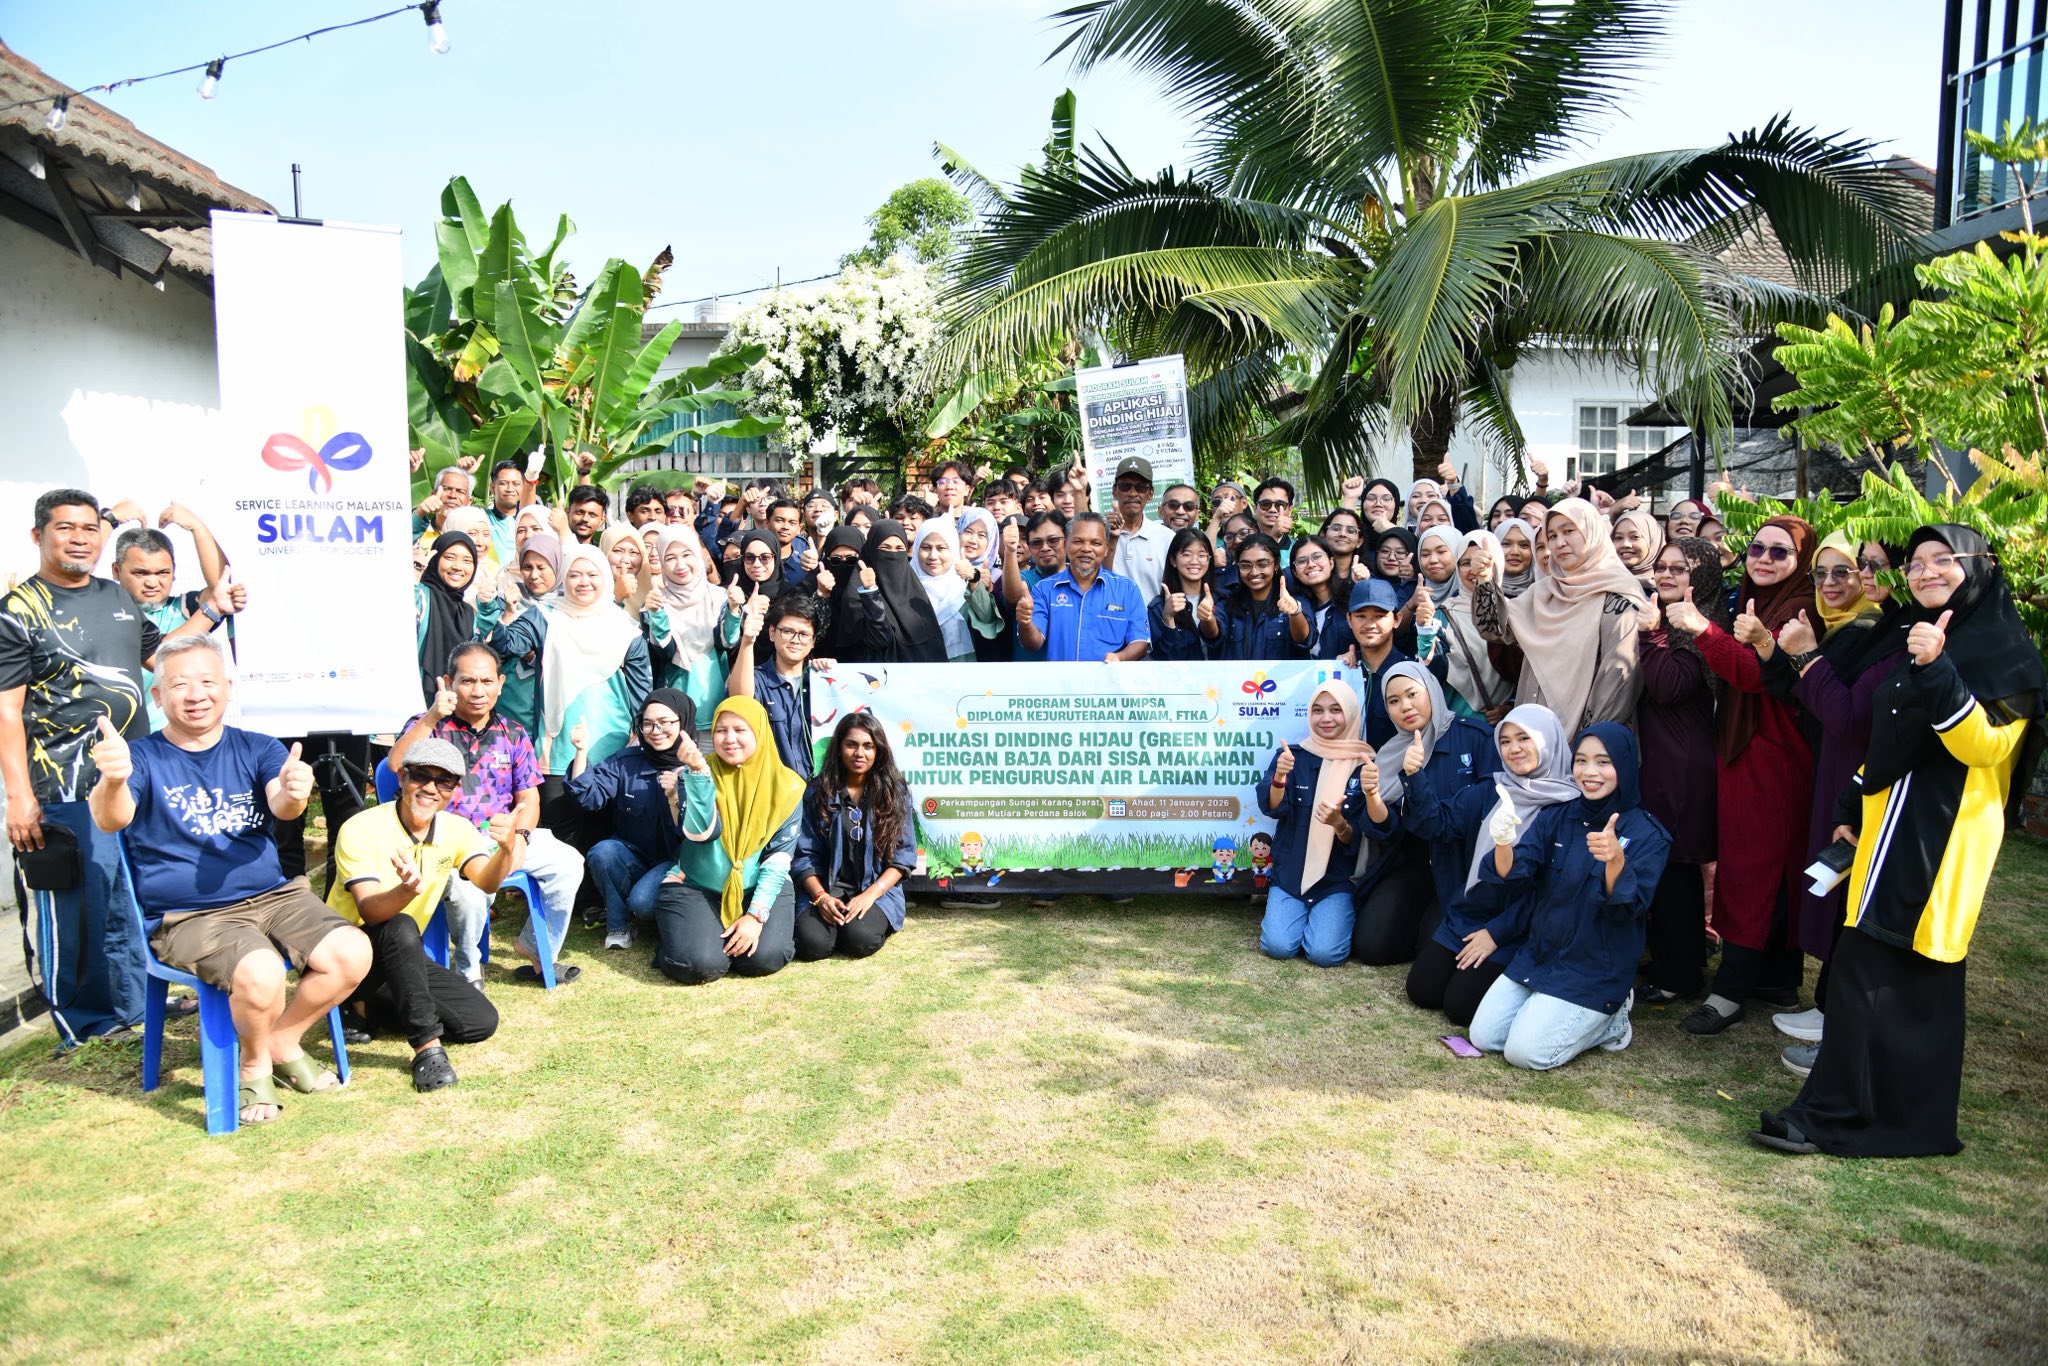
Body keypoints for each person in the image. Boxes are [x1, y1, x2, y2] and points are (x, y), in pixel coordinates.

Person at [1754, 526, 2045, 1157]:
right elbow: (1887, 734)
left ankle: (1875, 1122)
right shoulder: (1918, 637)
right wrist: (1850, 804)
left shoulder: (2005, 653)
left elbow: (1985, 747)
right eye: (1916, 563)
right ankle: (1849, 1113)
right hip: (1885, 828)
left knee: (1901, 979)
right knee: (1867, 970)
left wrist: (1938, 669)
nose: (1925, 571)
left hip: (1939, 840)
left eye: (1944, 560)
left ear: (1983, 568)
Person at [85, 637, 371, 1122]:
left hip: (273, 896)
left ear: (228, 689)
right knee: (262, 972)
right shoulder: (141, 757)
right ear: (158, 697)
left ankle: (282, 1039)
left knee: (352, 952)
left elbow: (281, 800)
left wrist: (295, 793)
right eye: (178, 684)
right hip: (189, 915)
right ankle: (253, 1065)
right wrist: (112, 780)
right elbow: (110, 820)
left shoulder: (255, 746)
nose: (195, 694)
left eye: (207, 681)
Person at [2, 490, 216, 1040]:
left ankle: (137, 999)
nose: (79, 539)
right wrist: (20, 796)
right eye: (64, 528)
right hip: (62, 785)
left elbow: (160, 653)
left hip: (131, 777)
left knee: (131, 892)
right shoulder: (18, 612)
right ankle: (86, 1021)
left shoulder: (116, 597)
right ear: (38, 537)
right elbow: (7, 709)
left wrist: (211, 611)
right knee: (78, 903)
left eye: (88, 529)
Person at [1665, 515, 1818, 1035]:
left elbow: (1756, 676)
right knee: (1766, 865)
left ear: (1802, 563)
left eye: (1781, 553)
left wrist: (1702, 630)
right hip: (1749, 751)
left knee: (1755, 868)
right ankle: (1774, 978)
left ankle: (1730, 991)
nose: (1765, 559)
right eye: (1757, 548)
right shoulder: (1750, 601)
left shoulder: (1800, 609)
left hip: (1773, 756)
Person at [1466, 724, 1671, 1069]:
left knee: (1525, 1053)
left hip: (1593, 968)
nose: (1590, 773)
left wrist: (1615, 862)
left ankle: (1613, 1019)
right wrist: (1502, 840)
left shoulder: (1648, 834)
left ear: (1624, 764)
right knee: (1483, 1037)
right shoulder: (1558, 816)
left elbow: (1627, 910)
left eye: (1603, 762)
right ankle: (1551, 1011)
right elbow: (1515, 872)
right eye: (1581, 761)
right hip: (1540, 955)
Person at [388, 643, 585, 985]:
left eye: (486, 681)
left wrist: (519, 839)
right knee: (467, 888)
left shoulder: (513, 732)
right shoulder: (430, 725)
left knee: (568, 863)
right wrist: (432, 715)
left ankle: (538, 949)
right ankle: (467, 969)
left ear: (501, 683)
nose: (478, 691)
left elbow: (529, 797)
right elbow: (395, 764)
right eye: (467, 681)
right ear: (449, 682)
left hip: (500, 835)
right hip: (445, 841)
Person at [326, 738, 517, 1091]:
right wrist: (405, 891)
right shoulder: (361, 828)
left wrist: (506, 851)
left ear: (454, 790)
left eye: (444, 781)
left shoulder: (456, 829)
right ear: (402, 778)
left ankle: (364, 1007)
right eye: (420, 777)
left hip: (399, 954)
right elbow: (369, 910)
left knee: (480, 1023)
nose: (430, 788)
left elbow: (487, 883)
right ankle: (427, 1049)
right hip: (341, 954)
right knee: (399, 924)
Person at [1403, 705, 1579, 1025]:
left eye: (1524, 738)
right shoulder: (1492, 790)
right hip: (1470, 913)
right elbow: (1437, 825)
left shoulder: (1568, 808)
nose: (1513, 749)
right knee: (1423, 991)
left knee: (1460, 1008)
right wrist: (1416, 777)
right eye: (1506, 741)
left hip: (1522, 926)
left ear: (1549, 741)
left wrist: (1496, 933)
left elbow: (1553, 893)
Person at [491, 545, 653, 852]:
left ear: (605, 578)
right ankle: (560, 901)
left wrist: (640, 744)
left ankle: (592, 901)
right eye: (574, 574)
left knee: (600, 836)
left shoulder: (626, 628)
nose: (583, 582)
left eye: (592, 574)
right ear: (563, 578)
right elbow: (506, 646)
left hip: (611, 749)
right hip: (555, 749)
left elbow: (641, 695)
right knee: (557, 835)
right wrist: (497, 614)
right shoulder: (544, 616)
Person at [1351, 663, 1498, 966]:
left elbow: (1490, 808)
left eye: (1412, 694)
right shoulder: (1390, 753)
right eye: (1393, 701)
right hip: (1413, 862)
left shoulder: (1475, 737)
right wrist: (1372, 795)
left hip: (1461, 865)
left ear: (1431, 690)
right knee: (1372, 947)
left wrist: (1416, 775)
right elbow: (1386, 830)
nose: (1405, 706)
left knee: (1434, 954)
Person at [650, 698, 804, 984]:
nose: (729, 739)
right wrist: (697, 774)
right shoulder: (694, 774)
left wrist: (756, 917)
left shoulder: (789, 786)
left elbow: (778, 858)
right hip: (696, 883)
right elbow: (699, 833)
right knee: (700, 965)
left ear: (759, 732)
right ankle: (689, 943)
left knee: (764, 958)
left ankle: (711, 936)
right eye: (721, 730)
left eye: (740, 730)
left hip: (758, 884)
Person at [1633, 537, 1725, 1003]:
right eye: (1662, 566)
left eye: (1680, 568)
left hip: (1683, 763)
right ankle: (1672, 960)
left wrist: (1651, 635)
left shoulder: (1699, 625)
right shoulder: (1671, 618)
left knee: (1678, 867)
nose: (1666, 575)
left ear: (1702, 576)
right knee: (1669, 868)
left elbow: (1670, 686)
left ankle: (1679, 976)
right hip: (1666, 757)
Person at [1471, 499, 1647, 732]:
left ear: (1592, 532)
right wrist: (1484, 579)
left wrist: (1589, 743)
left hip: (1584, 741)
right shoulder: (1543, 593)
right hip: (1532, 736)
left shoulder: (1619, 597)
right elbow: (1493, 630)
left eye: (1568, 531)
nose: (1559, 543)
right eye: (1551, 536)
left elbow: (1617, 680)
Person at [1256, 681, 1374, 967]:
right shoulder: (1292, 756)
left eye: (1336, 710)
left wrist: (1338, 824)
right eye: (1318, 710)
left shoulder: (1365, 764)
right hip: (1290, 876)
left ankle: (1326, 921)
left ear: (1350, 713)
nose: (1326, 718)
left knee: (1325, 954)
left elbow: (1358, 837)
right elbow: (1272, 808)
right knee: (1278, 946)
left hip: (1336, 879)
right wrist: (1279, 778)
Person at [573, 690, 694, 950]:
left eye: (665, 722)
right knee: (604, 852)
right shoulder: (626, 762)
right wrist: (581, 752)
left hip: (677, 864)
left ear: (683, 722)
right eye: (648, 723)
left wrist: (679, 791)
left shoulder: (698, 767)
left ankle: (668, 918)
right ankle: (619, 926)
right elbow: (588, 797)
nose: (655, 730)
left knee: (644, 902)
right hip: (634, 857)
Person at [792, 713, 917, 961]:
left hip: (875, 891)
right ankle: (832, 922)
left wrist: (869, 895)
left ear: (878, 751)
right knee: (812, 944)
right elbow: (804, 855)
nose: (859, 753)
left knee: (860, 939)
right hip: (825, 890)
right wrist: (821, 898)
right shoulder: (817, 792)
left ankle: (854, 925)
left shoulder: (895, 792)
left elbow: (903, 856)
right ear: (839, 748)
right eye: (851, 744)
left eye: (868, 746)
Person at [107, 520, 245, 730]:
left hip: (180, 744)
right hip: (122, 742)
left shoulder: (186, 608)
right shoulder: (105, 612)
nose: (152, 583)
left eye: (162, 572)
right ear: (116, 571)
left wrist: (197, 527)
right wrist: (109, 519)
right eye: (141, 573)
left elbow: (221, 586)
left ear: (174, 571)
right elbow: (159, 653)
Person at [1019, 513, 1151, 663]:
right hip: (1059, 684)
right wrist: (1025, 622)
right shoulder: (1043, 589)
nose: (1086, 549)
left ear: (1106, 548)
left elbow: (1140, 641)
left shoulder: (1127, 589)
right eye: (1078, 541)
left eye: (1095, 543)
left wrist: (1120, 657)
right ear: (1066, 544)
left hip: (1107, 682)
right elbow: (1033, 644)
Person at [728, 592, 825, 779]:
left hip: (819, 793)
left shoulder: (821, 683)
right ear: (772, 633)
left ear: (813, 642)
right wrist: (747, 641)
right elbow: (740, 702)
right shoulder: (756, 678)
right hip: (773, 792)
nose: (795, 640)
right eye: (787, 631)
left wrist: (834, 676)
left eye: (804, 634)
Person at [641, 524, 728, 722]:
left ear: (697, 554)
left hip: (717, 708)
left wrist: (734, 612)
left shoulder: (718, 597)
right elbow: (664, 652)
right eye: (670, 558)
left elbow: (728, 644)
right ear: (661, 562)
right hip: (673, 714)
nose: (680, 565)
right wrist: (657, 614)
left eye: (687, 554)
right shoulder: (654, 603)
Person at [1434, 530, 1511, 722]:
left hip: (1508, 728)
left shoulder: (1515, 612)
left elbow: (1526, 671)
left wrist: (1510, 706)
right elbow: (1433, 671)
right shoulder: (1442, 615)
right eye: (1466, 563)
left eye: (1483, 559)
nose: (1475, 569)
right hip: (1459, 723)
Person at [413, 530, 488, 709]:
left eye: (467, 561)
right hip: (412, 709)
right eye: (449, 557)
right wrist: (415, 575)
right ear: (435, 560)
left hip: (454, 714)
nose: (457, 566)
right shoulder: (421, 595)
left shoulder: (468, 613)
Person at [856, 518, 948, 663]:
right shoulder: (857, 594)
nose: (892, 554)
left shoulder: (916, 593)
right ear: (871, 550)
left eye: (899, 549)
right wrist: (870, 592)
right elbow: (880, 640)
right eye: (885, 548)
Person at [1339, 579, 1417, 749]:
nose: (1370, 624)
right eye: (1361, 616)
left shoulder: (1411, 673)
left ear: (1397, 619)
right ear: (1349, 619)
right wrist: (1336, 672)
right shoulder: (1342, 670)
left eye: (1380, 616)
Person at [911, 520, 1002, 662]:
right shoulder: (907, 586)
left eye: (941, 548)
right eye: (926, 547)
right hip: (919, 676)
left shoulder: (963, 585)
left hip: (962, 676)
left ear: (953, 549)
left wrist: (973, 581)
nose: (933, 556)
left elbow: (987, 619)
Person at [1213, 533, 1309, 660]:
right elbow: (1212, 635)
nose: (1254, 572)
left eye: (1262, 564)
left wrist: (1295, 613)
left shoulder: (1296, 601)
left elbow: (1303, 639)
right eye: (1246, 565)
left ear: (1276, 564)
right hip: (1238, 679)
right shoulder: (1228, 603)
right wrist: (1207, 618)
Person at [1104, 456, 1172, 605]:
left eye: (1141, 487)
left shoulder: (1167, 537)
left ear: (1151, 494)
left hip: (1154, 623)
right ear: (1115, 491)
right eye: (1125, 486)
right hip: (1112, 623)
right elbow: (1095, 579)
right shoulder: (1100, 533)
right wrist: (1110, 539)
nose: (1133, 493)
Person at [1148, 527, 1216, 661]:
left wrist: (1209, 618)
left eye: (1202, 555)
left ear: (1209, 560)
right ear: (1173, 560)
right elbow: (1160, 659)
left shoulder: (1222, 600)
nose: (1195, 561)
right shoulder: (1158, 607)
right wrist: (1168, 618)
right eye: (1186, 554)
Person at [1285, 535, 1353, 659]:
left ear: (1331, 562)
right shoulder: (1292, 604)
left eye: (1317, 557)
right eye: (1302, 561)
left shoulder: (1351, 598)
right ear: (1294, 572)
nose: (1311, 564)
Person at [599, 524, 652, 620]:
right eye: (618, 551)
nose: (626, 560)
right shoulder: (590, 590)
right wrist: (617, 597)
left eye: (634, 553)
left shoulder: (652, 592)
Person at [1250, 478, 1297, 559]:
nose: (1272, 510)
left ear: (1290, 510)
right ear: (1255, 509)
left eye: (1280, 504)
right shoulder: (1242, 543)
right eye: (1265, 504)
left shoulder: (1299, 549)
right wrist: (1273, 536)